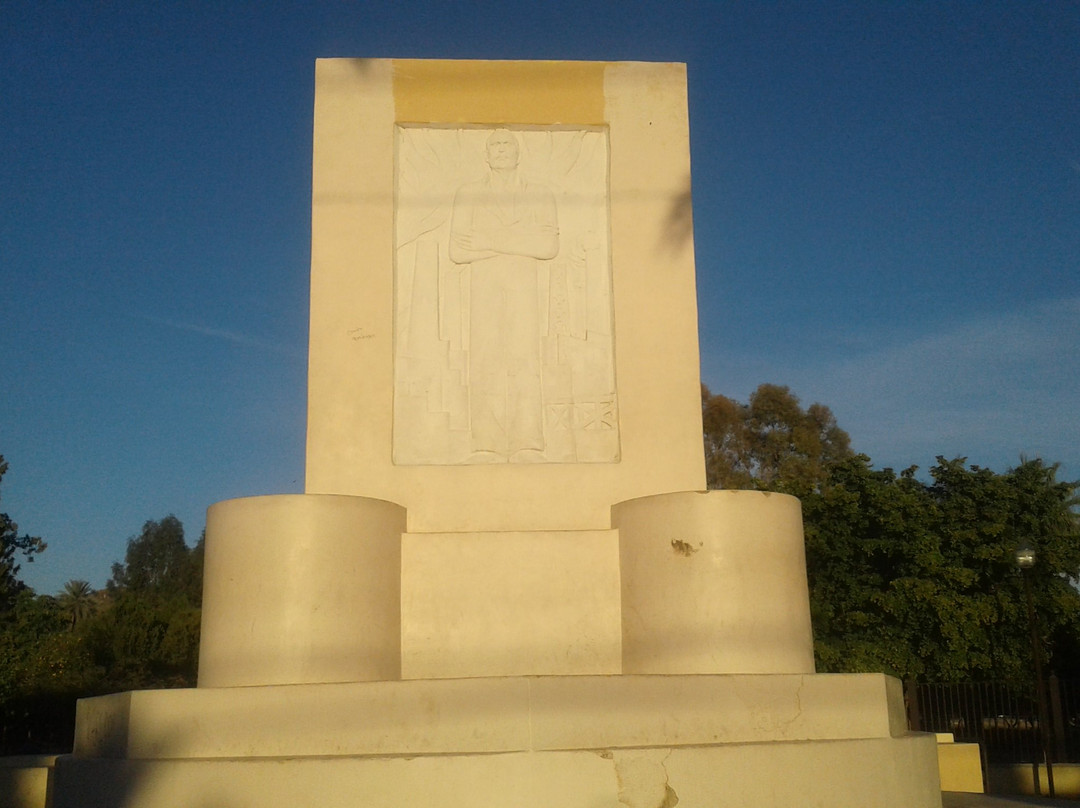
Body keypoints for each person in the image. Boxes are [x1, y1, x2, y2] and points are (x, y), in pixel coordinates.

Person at [449, 129, 559, 461]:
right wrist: (520, 240)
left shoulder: (540, 193)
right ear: (486, 155)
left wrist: (487, 240)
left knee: (526, 359)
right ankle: (486, 444)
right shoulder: (468, 194)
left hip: (525, 288)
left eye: (506, 144)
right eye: (494, 145)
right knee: (485, 360)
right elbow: (457, 251)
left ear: (517, 152)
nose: (500, 149)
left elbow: (548, 246)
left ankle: (528, 442)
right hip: (483, 288)